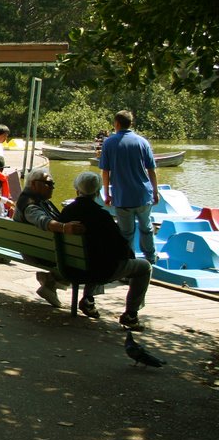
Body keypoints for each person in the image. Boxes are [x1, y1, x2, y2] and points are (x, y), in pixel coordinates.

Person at [59, 171, 153, 330]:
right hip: (96, 271)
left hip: (71, 265)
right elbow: (121, 248)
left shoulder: (66, 212)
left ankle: (88, 300)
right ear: (97, 193)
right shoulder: (102, 216)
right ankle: (131, 315)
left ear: (77, 190)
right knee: (144, 267)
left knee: (95, 255)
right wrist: (129, 256)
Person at [12, 167, 85, 309]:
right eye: (48, 184)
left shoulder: (35, 199)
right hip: (38, 252)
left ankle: (50, 283)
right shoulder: (29, 204)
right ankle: (53, 282)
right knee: (86, 260)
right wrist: (64, 227)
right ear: (33, 184)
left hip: (39, 247)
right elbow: (42, 220)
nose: (52, 187)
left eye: (53, 184)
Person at [99, 110, 160, 264]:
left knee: (126, 233)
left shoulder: (109, 143)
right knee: (146, 229)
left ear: (117, 124)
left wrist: (106, 193)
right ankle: (150, 259)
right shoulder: (142, 142)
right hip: (143, 195)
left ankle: (128, 261)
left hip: (122, 196)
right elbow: (151, 170)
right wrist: (155, 192)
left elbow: (105, 172)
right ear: (130, 123)